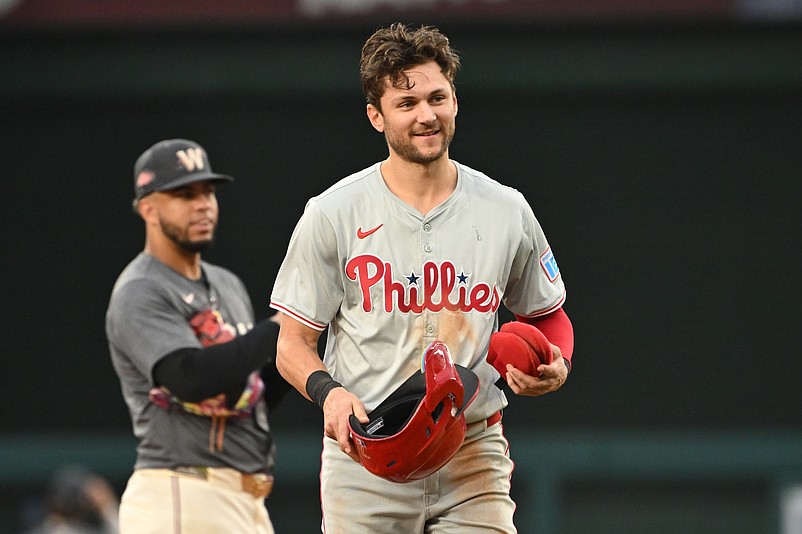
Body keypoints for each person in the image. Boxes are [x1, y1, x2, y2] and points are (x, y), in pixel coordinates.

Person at [270, 23, 575, 533]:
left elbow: (548, 316)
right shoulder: (333, 212)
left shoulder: (505, 209)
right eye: (406, 103)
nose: (426, 115)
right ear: (376, 116)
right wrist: (328, 392)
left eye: (438, 97)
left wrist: (557, 361)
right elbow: (291, 343)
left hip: (471, 451)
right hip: (368, 454)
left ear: (455, 101)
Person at [106, 138, 289, 534]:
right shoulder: (141, 289)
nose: (203, 203)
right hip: (181, 491)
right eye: (185, 194)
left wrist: (300, 343)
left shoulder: (227, 285)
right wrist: (279, 329)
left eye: (208, 191)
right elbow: (190, 378)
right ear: (148, 208)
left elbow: (249, 393)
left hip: (245, 501)